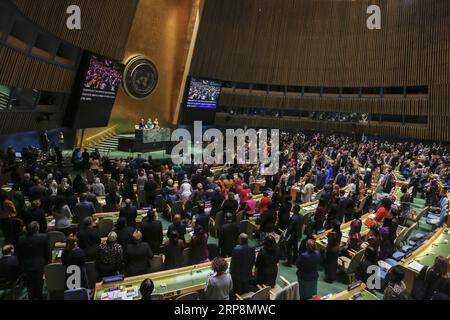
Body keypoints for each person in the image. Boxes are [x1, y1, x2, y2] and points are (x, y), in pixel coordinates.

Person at [16, 222, 51, 300]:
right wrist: (48, 262)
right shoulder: (44, 237)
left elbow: (19, 254)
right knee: (39, 284)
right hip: (40, 264)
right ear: (37, 228)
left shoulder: (21, 238)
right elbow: (47, 252)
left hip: (26, 265)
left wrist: (21, 264)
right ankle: (39, 297)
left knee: (29, 284)